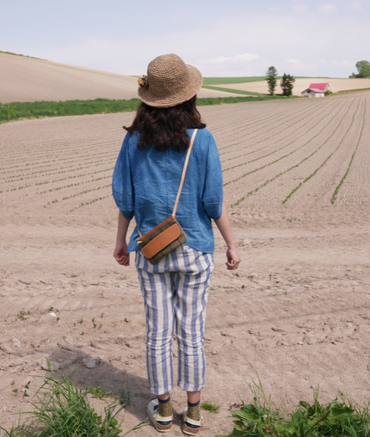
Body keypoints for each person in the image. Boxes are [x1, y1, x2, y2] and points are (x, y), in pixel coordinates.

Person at [112, 53, 241, 435]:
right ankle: (195, 413)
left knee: (157, 331)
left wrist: (120, 242)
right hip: (196, 247)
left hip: (151, 250)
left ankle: (164, 411)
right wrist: (231, 244)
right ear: (188, 96)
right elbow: (214, 201)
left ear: (148, 96)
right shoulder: (203, 140)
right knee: (191, 332)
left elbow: (126, 198)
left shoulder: (133, 141)